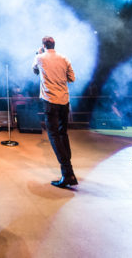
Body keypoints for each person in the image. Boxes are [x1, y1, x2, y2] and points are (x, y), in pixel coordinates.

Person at [32, 36, 78, 188]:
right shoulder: (64, 58)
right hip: (64, 100)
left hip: (50, 101)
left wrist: (37, 54)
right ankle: (68, 170)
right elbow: (72, 78)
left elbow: (34, 71)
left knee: (54, 136)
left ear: (43, 45)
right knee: (63, 133)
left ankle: (67, 173)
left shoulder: (40, 57)